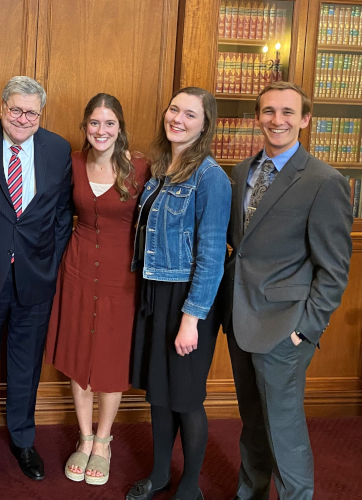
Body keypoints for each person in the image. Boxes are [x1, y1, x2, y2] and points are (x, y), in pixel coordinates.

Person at [222, 82, 352, 500]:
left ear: (305, 119)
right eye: (269, 112)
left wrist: (306, 329)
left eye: (288, 112)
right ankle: (251, 493)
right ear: (258, 117)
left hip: (285, 327)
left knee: (284, 427)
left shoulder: (323, 181)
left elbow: (333, 270)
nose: (278, 120)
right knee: (253, 422)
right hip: (240, 317)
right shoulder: (242, 171)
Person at [0, 76, 73, 481]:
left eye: (31, 112)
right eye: (16, 110)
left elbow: (61, 213)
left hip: (35, 276)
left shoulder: (58, 149)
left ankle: (24, 440)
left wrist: (51, 259)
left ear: (41, 113)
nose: (23, 118)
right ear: (2, 106)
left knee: (26, 366)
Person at [127, 87, 231, 500]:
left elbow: (211, 256)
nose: (178, 119)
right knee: (160, 393)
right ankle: (158, 475)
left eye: (190, 114)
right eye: (174, 109)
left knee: (186, 398)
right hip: (155, 293)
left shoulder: (211, 176)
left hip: (189, 300)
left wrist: (191, 319)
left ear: (205, 125)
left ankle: (189, 485)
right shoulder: (158, 168)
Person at [44, 93, 149, 486]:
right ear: (84, 126)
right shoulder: (71, 162)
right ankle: (84, 437)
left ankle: (104, 441)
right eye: (94, 123)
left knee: (110, 356)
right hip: (77, 268)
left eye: (109, 123)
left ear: (119, 127)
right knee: (78, 350)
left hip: (122, 274)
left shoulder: (141, 167)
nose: (101, 131)